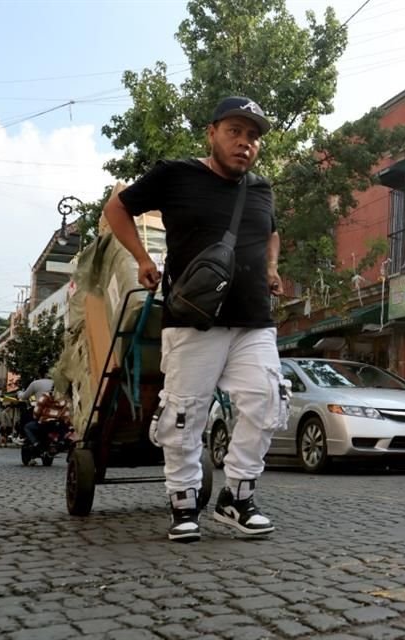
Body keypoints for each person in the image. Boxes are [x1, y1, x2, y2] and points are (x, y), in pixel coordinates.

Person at [103, 96, 285, 543]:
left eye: (253, 137)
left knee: (267, 401)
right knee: (184, 413)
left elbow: (273, 231)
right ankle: (183, 502)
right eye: (235, 132)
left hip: (253, 319)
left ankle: (237, 497)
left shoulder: (260, 189)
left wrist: (271, 267)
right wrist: (143, 258)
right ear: (212, 132)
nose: (245, 143)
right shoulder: (176, 174)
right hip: (193, 318)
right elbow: (116, 207)